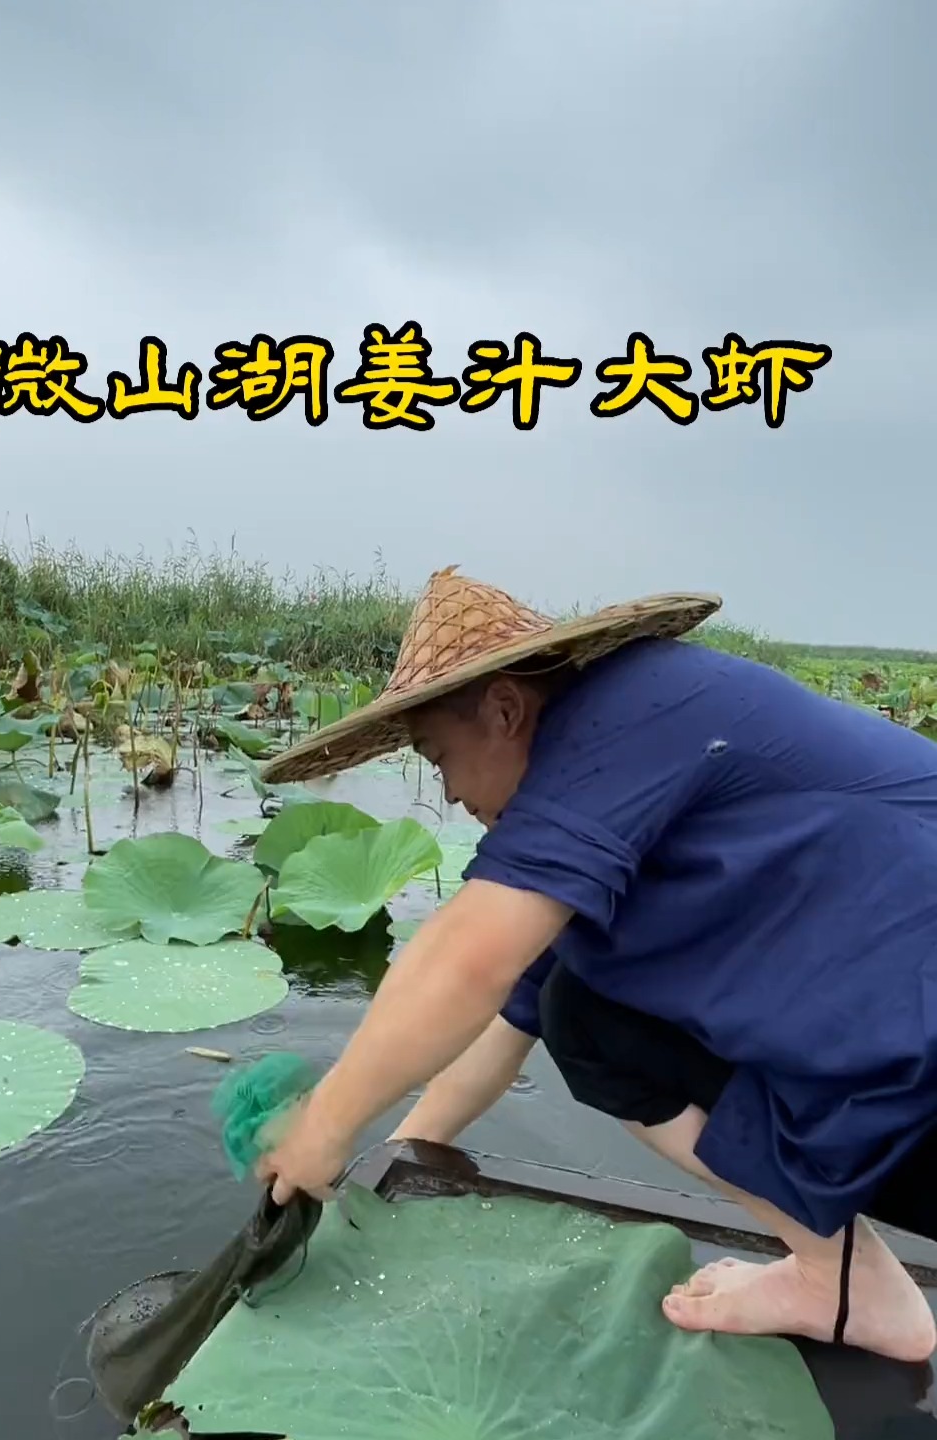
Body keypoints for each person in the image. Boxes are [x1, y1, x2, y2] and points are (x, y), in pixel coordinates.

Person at [254, 565, 937, 1365]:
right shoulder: (603, 798)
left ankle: (836, 1278)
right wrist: (387, 1164)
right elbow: (503, 1018)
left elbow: (469, 959)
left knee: (586, 1017)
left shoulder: (632, 707)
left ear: (505, 709)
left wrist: (325, 1125)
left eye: (439, 757)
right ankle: (844, 1280)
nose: (448, 793)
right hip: (896, 1049)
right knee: (581, 1007)